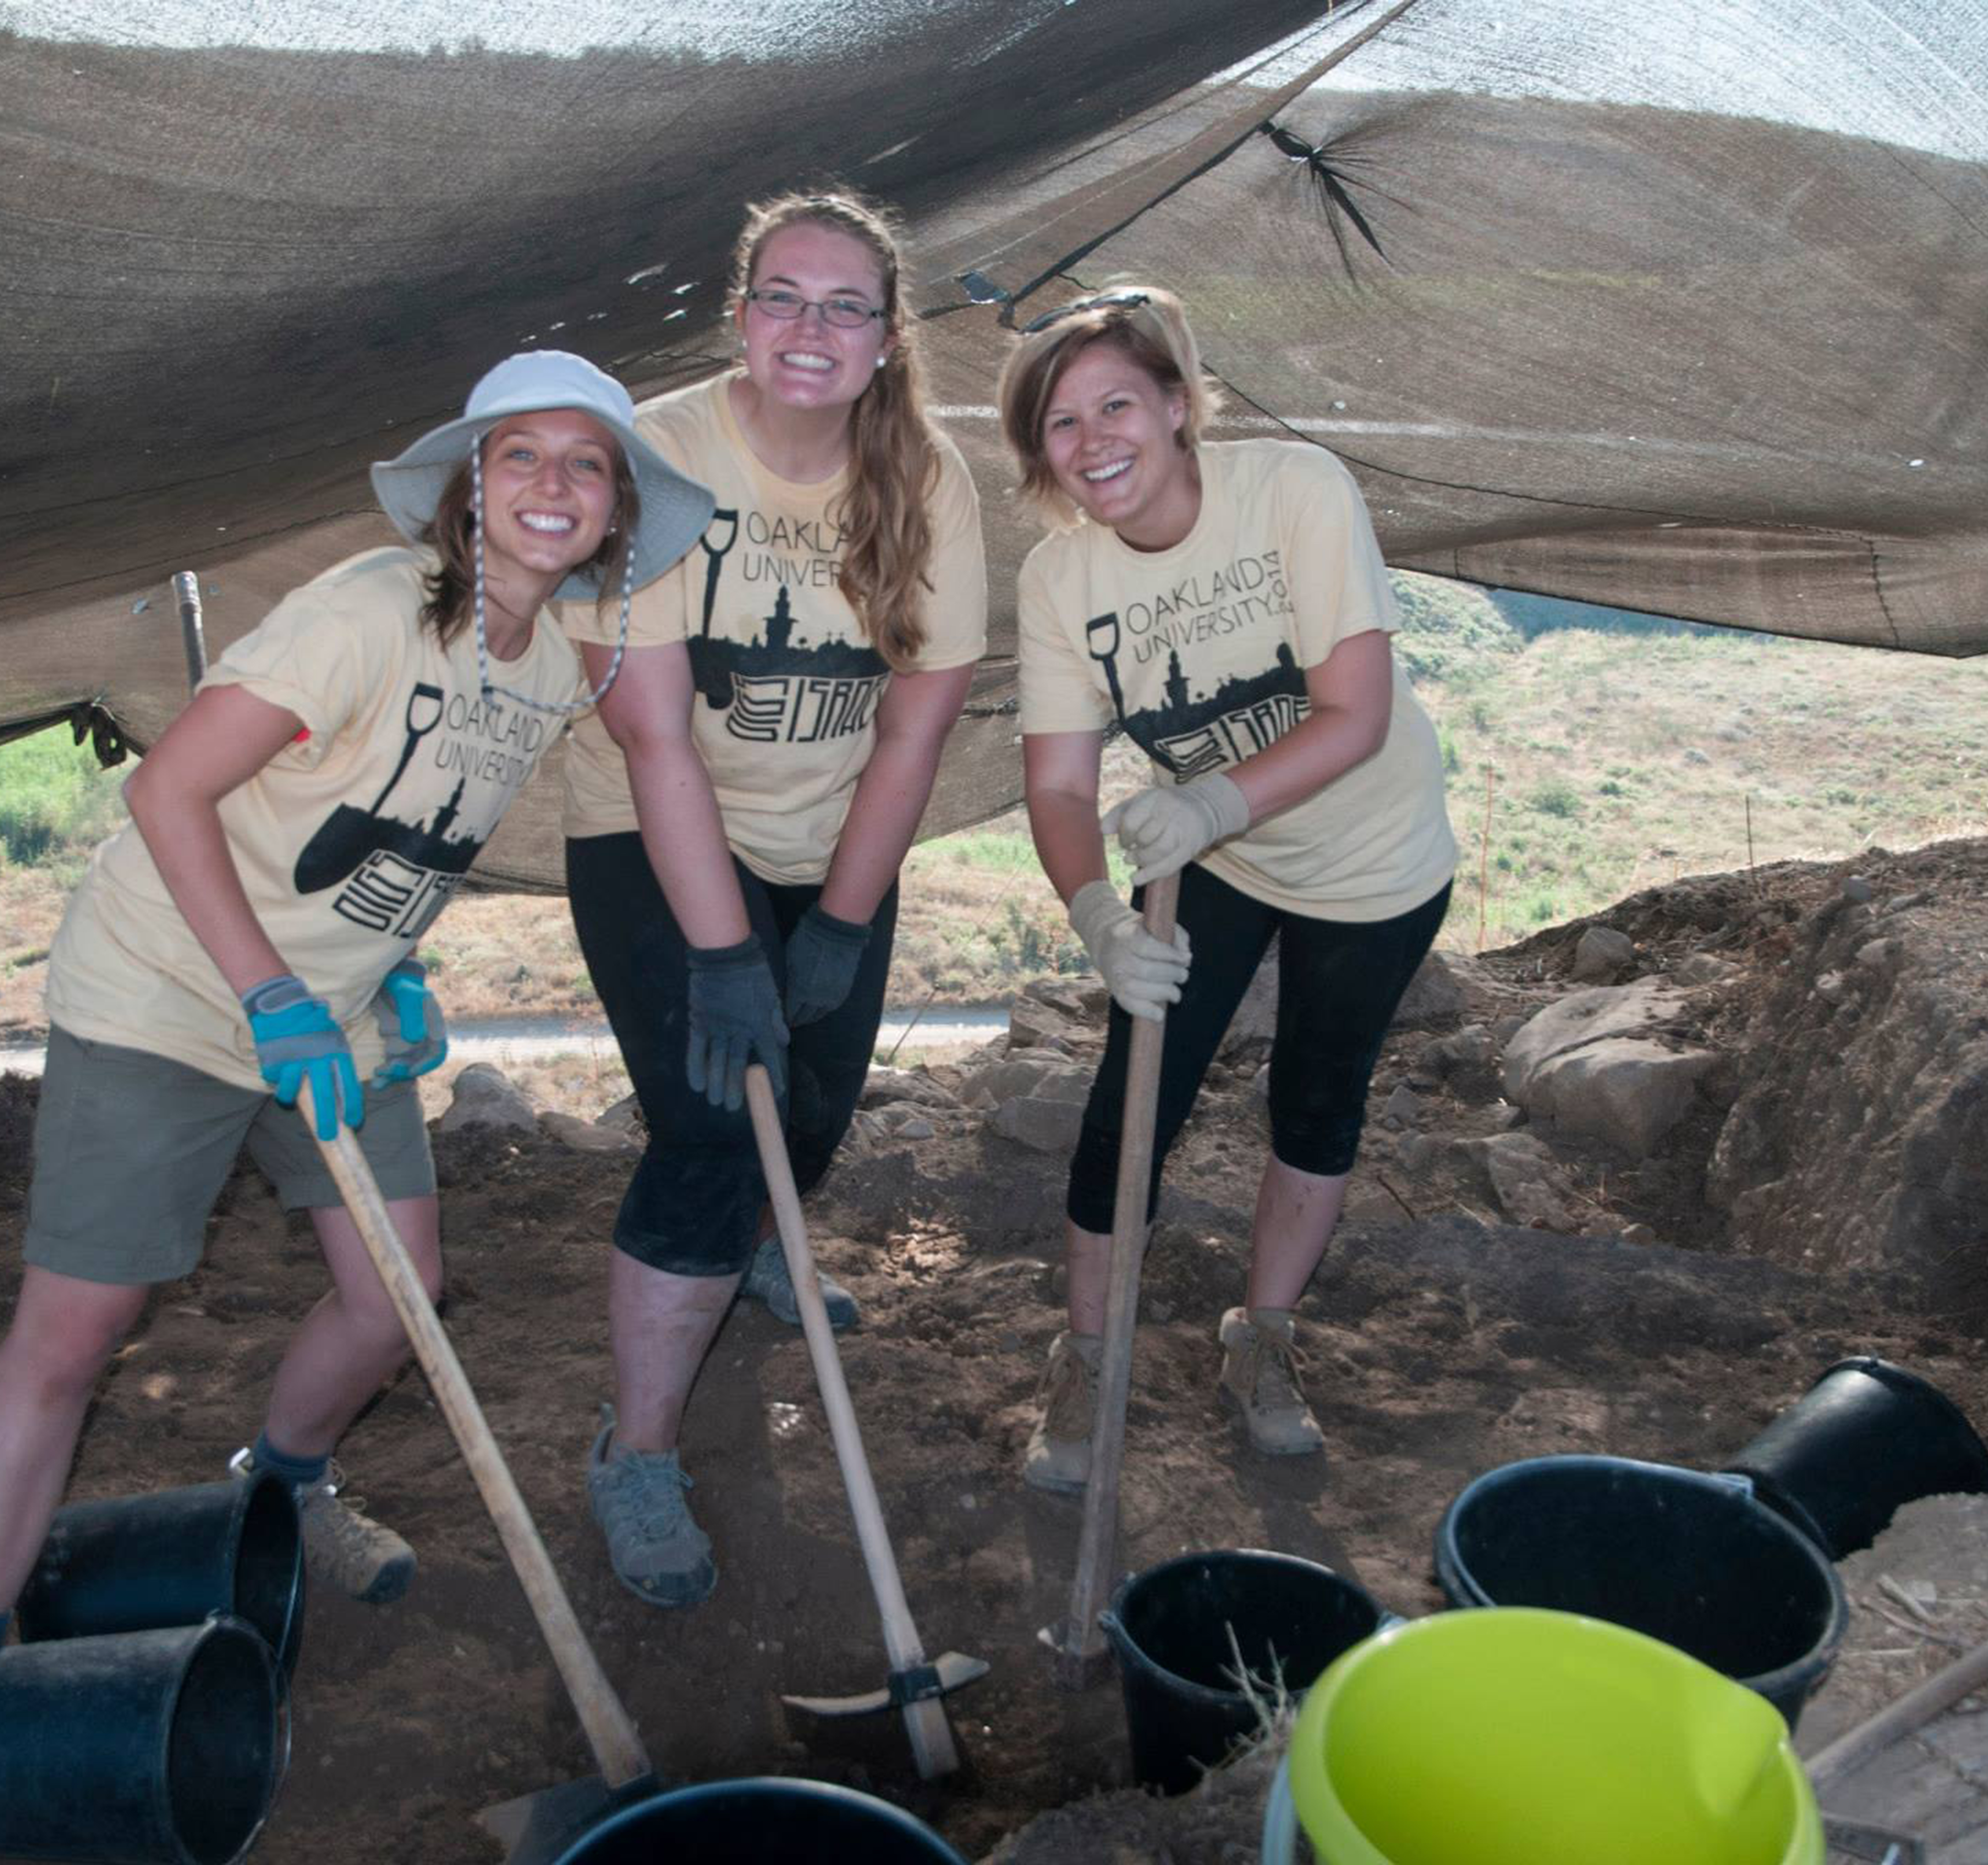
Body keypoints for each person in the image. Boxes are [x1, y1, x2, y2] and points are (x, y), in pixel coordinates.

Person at [0, 351, 714, 1855]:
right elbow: (166, 793)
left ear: (618, 509)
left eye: (588, 466)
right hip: (169, 996)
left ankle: (284, 1485)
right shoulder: (369, 608)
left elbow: (395, 825)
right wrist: (268, 994)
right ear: (470, 487)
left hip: (332, 1015)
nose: (553, 488)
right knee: (73, 1335)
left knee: (398, 1297)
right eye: (522, 458)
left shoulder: (552, 663)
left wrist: (387, 974)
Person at [557, 189, 985, 1608]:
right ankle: (636, 1446)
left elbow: (916, 724)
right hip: (654, 824)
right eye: (784, 299)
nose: (812, 328)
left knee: (806, 1109)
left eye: (845, 304)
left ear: (883, 336)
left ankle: (752, 1254)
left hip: (829, 831)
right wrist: (726, 953)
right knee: (702, 1119)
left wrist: (847, 922)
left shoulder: (924, 474)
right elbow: (652, 731)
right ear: (741, 317)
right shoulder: (663, 457)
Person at [998, 286, 1456, 1489]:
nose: (1092, 440)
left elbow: (1353, 714)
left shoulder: (1294, 491)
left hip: (1374, 862)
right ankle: (1091, 1359)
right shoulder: (1060, 579)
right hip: (1220, 860)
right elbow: (1056, 785)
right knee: (1130, 1098)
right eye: (1060, 423)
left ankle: (1263, 1340)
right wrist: (1096, 912)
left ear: (1180, 406)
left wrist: (1205, 797)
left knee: (1316, 1097)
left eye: (1116, 404)